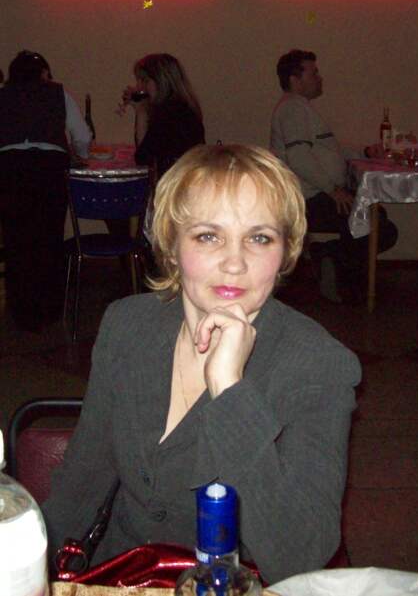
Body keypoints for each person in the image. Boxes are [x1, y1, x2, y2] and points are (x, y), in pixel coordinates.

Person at [43, 144, 361, 585]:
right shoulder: (127, 325)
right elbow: (83, 478)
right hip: (119, 576)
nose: (235, 263)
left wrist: (230, 390)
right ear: (172, 246)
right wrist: (33, 569)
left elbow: (300, 555)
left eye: (260, 237)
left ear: (286, 251)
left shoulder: (319, 365)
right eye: (209, 236)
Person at [270, 49, 398, 302]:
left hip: (318, 193)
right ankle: (332, 259)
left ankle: (332, 260)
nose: (319, 78)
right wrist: (333, 190)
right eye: (313, 73)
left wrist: (364, 151)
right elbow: (300, 158)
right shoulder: (293, 110)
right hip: (309, 198)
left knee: (376, 219)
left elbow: (327, 149)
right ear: (295, 80)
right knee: (381, 228)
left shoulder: (300, 108)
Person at [0, 50, 92, 330]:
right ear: (44, 73)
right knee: (49, 237)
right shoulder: (58, 93)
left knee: (16, 239)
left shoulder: (3, 96)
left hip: (10, 169)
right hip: (48, 169)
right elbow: (82, 136)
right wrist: (80, 155)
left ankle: (20, 310)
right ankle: (49, 308)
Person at [122, 53, 205, 179]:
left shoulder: (168, 114)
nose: (139, 87)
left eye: (145, 81)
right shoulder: (181, 107)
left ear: (161, 81)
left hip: (175, 182)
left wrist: (141, 112)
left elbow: (143, 158)